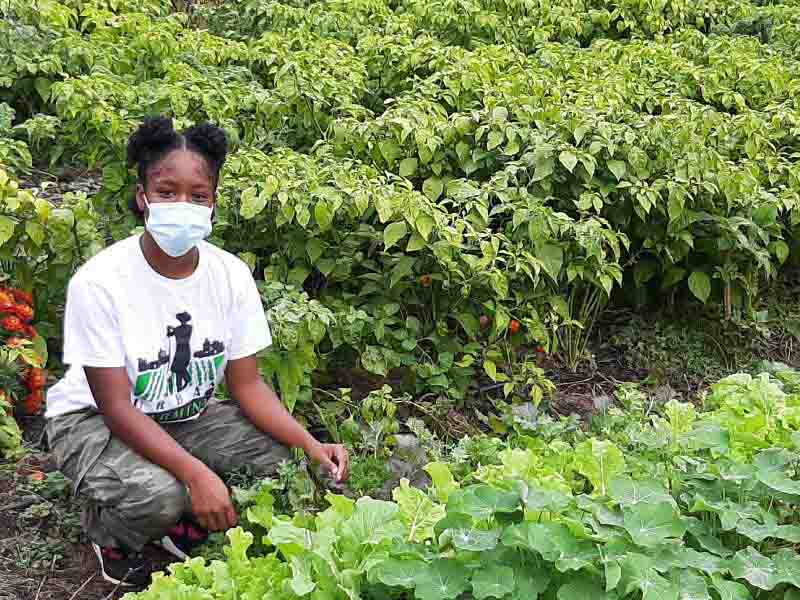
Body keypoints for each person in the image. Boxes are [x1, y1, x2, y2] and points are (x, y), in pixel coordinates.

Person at [45, 116, 349, 587]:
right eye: (167, 192)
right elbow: (117, 408)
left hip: (185, 412)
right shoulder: (100, 282)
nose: (182, 206)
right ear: (143, 196)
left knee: (283, 465)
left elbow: (247, 384)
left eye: (198, 195)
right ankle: (111, 534)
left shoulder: (229, 275)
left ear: (213, 202)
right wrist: (196, 475)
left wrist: (311, 446)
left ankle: (182, 527)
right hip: (93, 420)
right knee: (161, 496)